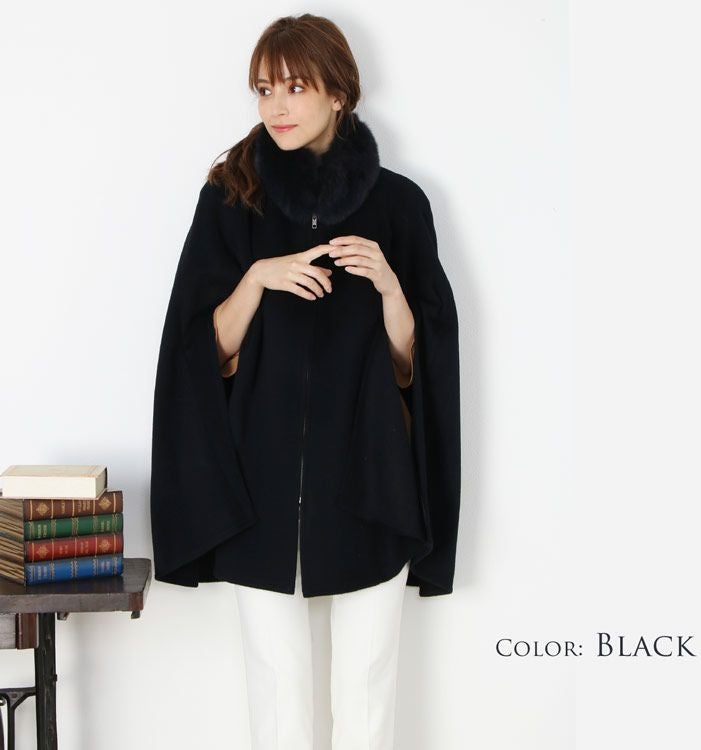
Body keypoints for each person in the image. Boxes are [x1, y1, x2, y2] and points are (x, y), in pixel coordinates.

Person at [149, 13, 461, 750]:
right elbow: (197, 353)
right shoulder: (231, 201)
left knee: (366, 697)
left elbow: (417, 368)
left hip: (371, 486)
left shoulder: (401, 205)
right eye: (264, 89)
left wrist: (389, 287)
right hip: (259, 492)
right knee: (278, 700)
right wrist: (256, 278)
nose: (276, 106)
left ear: (339, 92)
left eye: (295, 86)